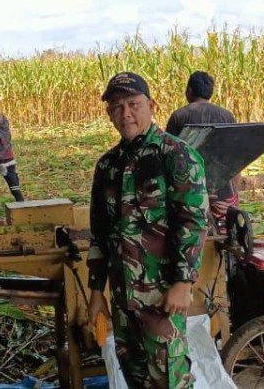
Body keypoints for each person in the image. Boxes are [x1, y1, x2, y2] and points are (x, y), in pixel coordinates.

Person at [86, 72, 211, 389]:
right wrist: (96, 292)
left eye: (133, 104)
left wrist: (184, 282)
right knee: (135, 380)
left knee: (170, 379)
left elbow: (193, 221)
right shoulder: (107, 166)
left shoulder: (176, 156)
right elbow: (100, 232)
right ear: (109, 113)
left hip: (162, 297)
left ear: (151, 105)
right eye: (116, 107)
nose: (125, 113)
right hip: (123, 302)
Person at [165, 70, 240, 227]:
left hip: (190, 192)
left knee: (195, 232)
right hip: (223, 192)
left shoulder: (179, 116)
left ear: (189, 91)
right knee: (224, 233)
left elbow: (167, 157)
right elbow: (235, 159)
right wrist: (233, 194)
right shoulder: (227, 116)